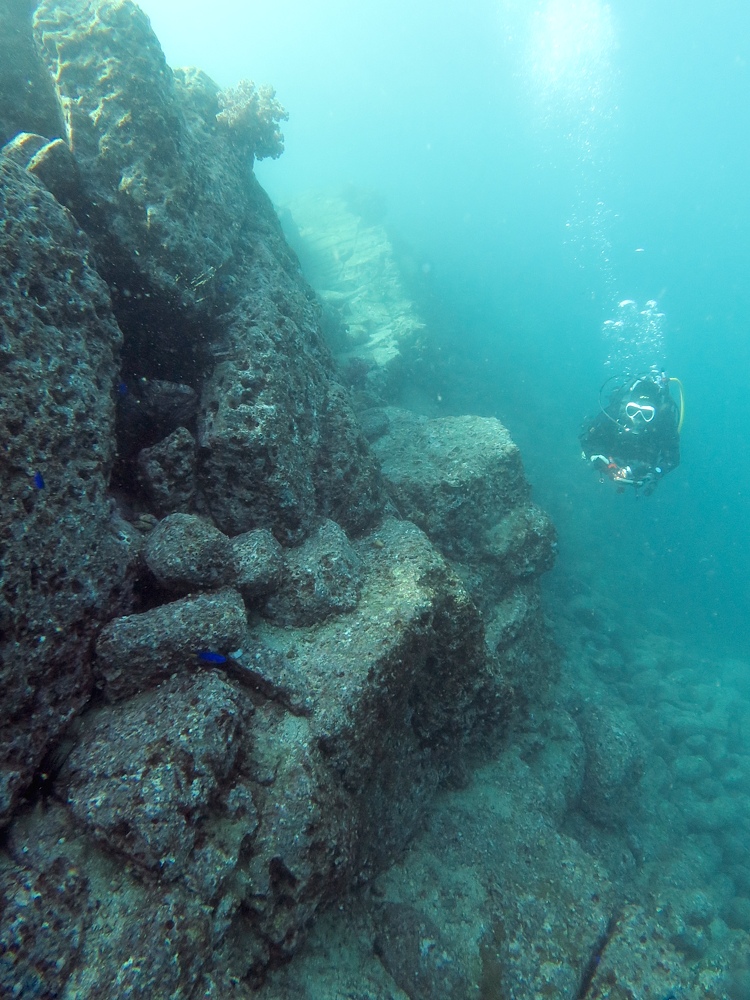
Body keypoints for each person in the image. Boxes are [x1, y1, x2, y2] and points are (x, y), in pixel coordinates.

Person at [580, 369, 683, 495]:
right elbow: (588, 438)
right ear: (626, 407)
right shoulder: (616, 411)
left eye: (646, 414)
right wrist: (595, 455)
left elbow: (672, 458)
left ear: (655, 414)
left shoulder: (664, 423)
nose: (638, 418)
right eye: (632, 410)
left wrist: (654, 473)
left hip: (643, 465)